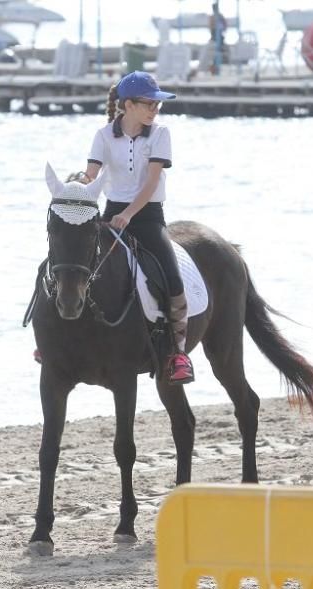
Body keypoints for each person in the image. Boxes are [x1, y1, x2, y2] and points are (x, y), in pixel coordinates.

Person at [82, 71, 194, 385]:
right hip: (112, 215)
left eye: (157, 104)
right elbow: (92, 176)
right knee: (76, 267)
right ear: (128, 105)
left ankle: (177, 353)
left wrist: (129, 214)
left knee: (172, 278)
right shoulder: (103, 135)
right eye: (149, 103)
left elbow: (152, 181)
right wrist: (77, 185)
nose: (155, 109)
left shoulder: (160, 134)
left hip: (147, 216)